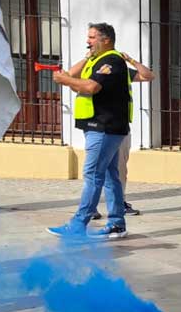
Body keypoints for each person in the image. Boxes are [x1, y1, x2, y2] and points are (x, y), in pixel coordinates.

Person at [47, 22, 133, 241]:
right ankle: (116, 223)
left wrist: (67, 80)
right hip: (100, 127)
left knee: (92, 174)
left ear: (106, 40)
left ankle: (78, 223)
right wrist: (72, 74)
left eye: (92, 38)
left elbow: (91, 87)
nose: (88, 41)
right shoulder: (95, 61)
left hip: (105, 127)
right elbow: (73, 78)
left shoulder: (112, 61)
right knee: (109, 176)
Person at [75, 51, 154, 219]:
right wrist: (87, 58)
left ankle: (118, 207)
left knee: (117, 169)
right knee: (96, 170)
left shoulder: (120, 70)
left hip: (119, 126)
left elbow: (148, 75)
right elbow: (70, 74)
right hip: (98, 125)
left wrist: (130, 59)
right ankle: (91, 209)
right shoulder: (89, 68)